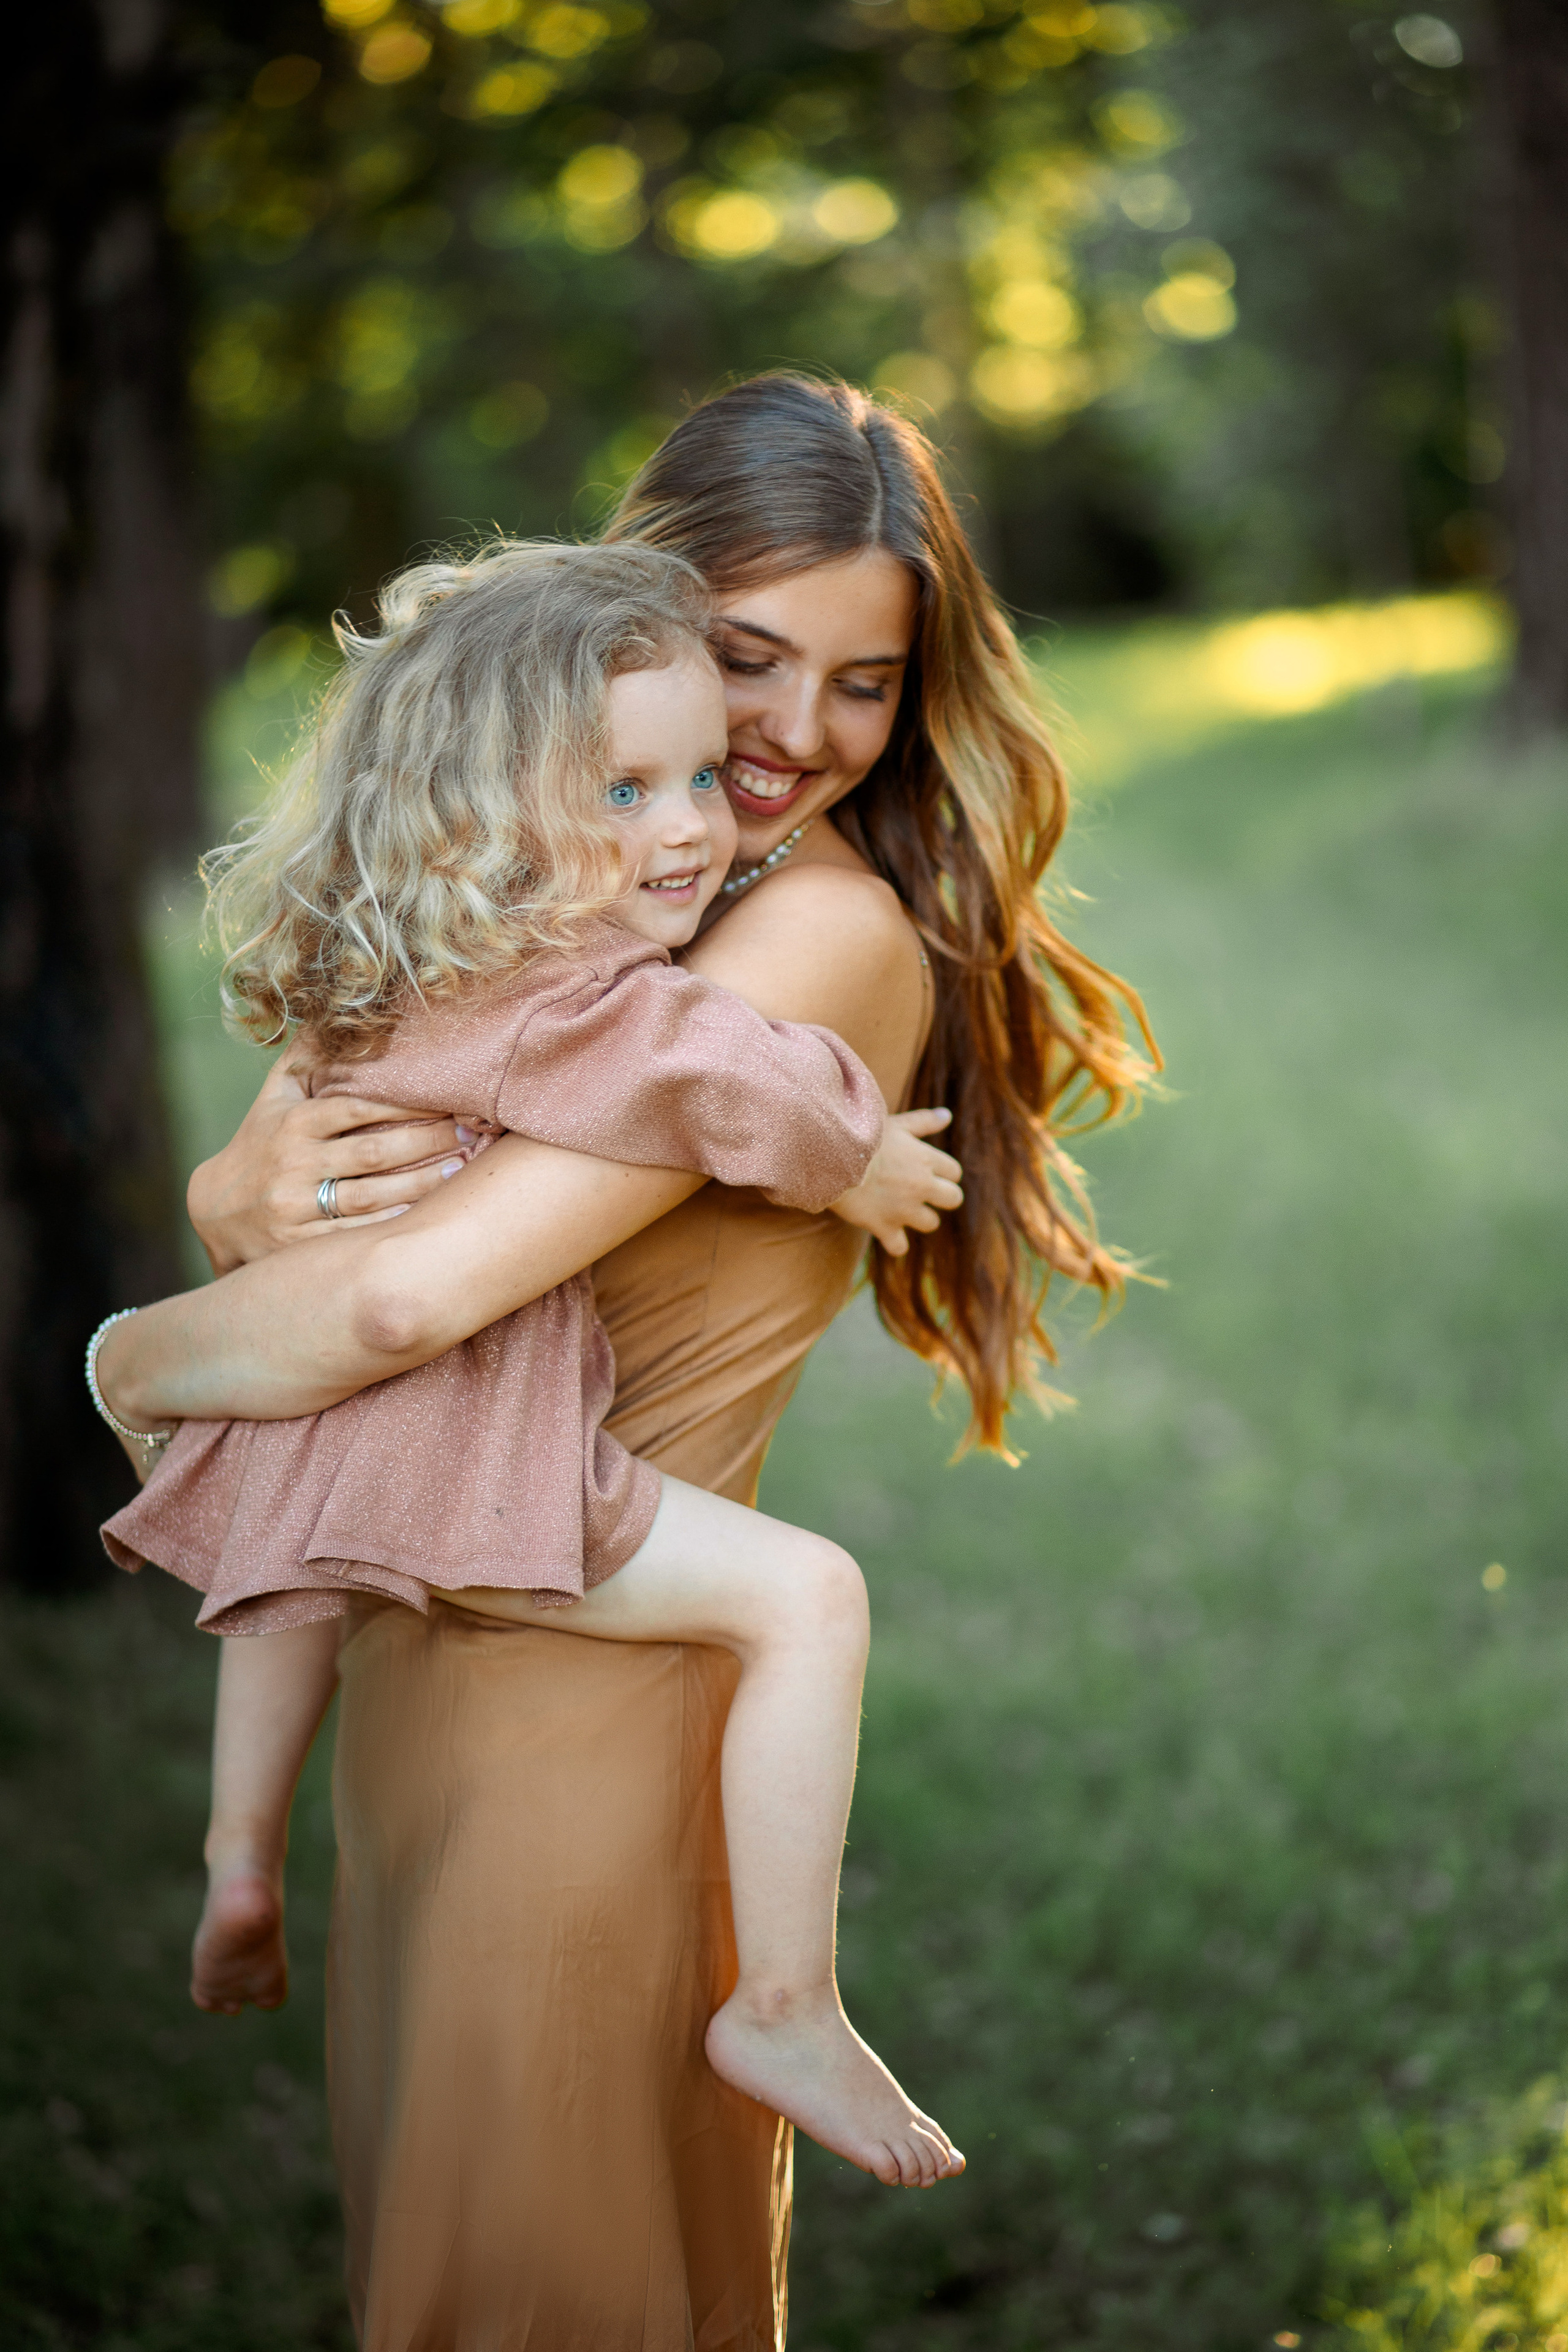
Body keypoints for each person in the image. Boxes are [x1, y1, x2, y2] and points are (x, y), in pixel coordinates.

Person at [96, 374, 1155, 2347]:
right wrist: (232, 1193)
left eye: (865, 682)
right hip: (449, 1659)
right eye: (748, 658)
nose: (795, 733)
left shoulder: (805, 945)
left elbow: (394, 1306)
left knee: (549, 2286)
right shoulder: (566, 923)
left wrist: (133, 1355)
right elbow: (298, 1209)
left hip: (586, 1706)